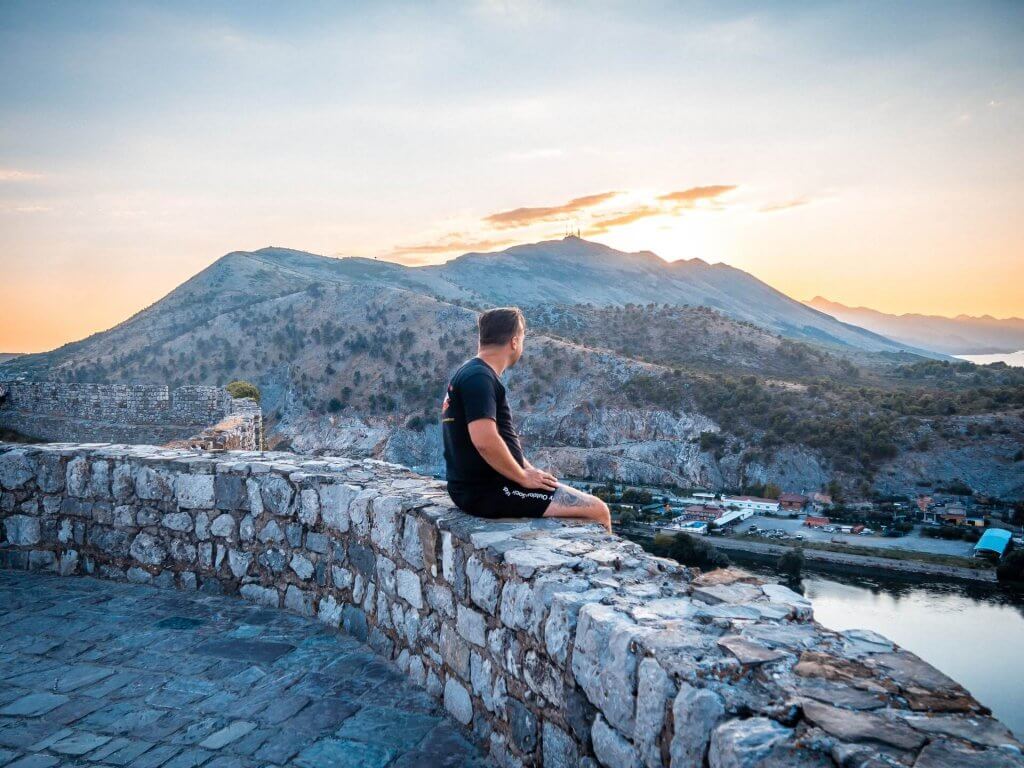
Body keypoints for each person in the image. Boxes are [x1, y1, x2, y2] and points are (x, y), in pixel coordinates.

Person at [441, 307, 612, 531]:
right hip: (488, 492)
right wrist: (521, 476)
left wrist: (527, 469)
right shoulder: (479, 378)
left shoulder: (470, 371)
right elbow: (484, 440)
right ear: (514, 341)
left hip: (476, 489)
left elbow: (498, 438)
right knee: (598, 510)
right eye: (522, 338)